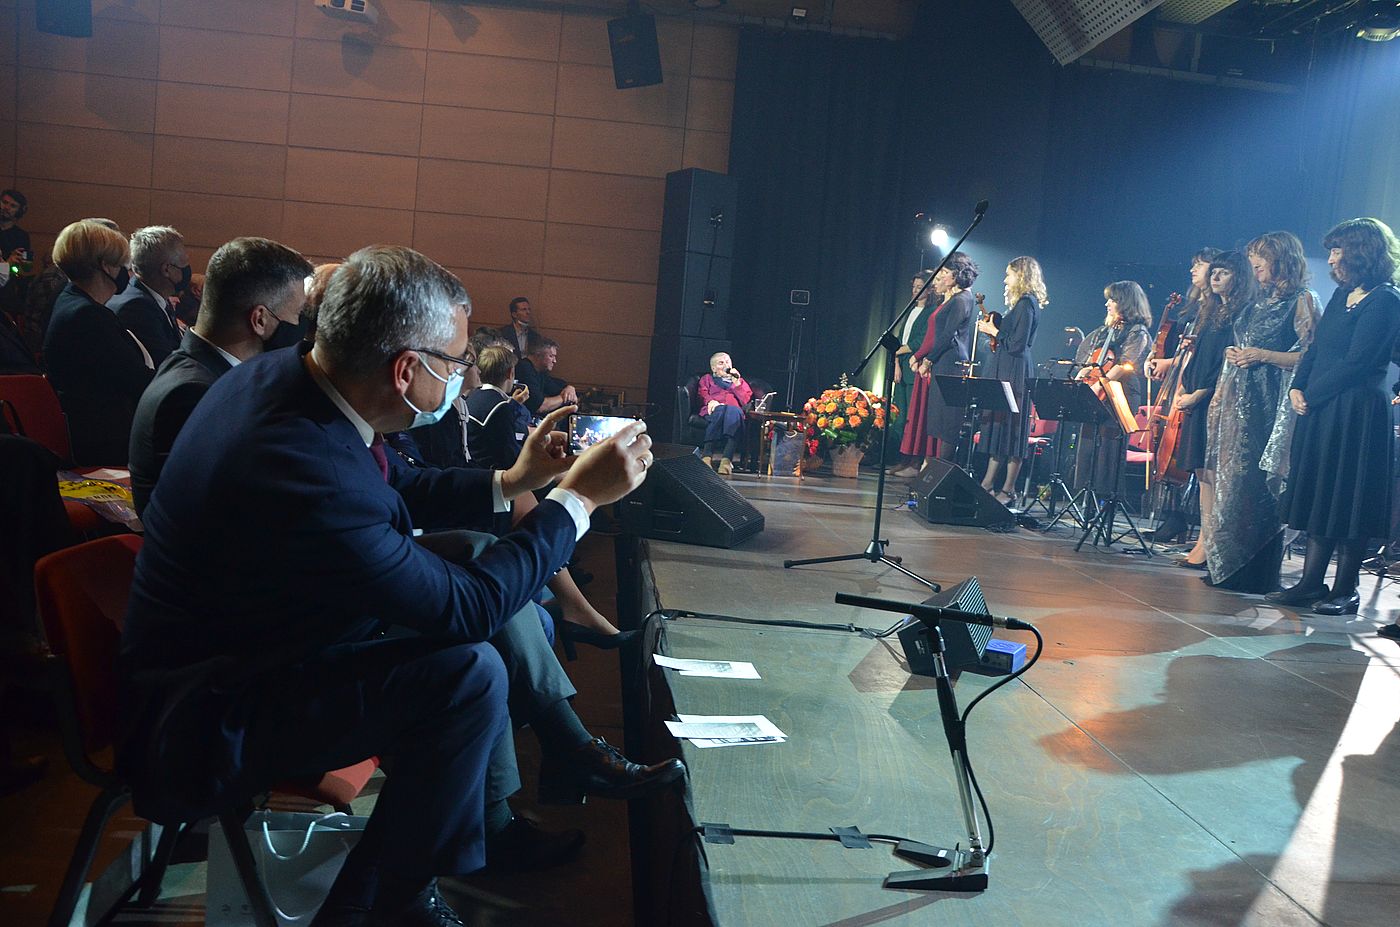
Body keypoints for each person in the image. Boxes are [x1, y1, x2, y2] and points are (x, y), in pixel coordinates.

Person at [119, 246, 682, 926]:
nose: (463, 374)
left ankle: (435, 861)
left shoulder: (289, 378)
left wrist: (513, 480)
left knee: (480, 615)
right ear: (406, 369)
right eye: (456, 361)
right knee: (466, 673)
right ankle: (381, 903)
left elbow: (393, 485)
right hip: (212, 711)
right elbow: (467, 607)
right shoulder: (301, 463)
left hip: (263, 641)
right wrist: (578, 501)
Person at [1271, 218, 1400, 619]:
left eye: (1337, 250)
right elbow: (1316, 349)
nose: (1330, 259)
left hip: (1357, 414)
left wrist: (1312, 394)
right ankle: (1311, 582)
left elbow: (1359, 362)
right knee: (1321, 494)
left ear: (1361, 251)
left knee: (1349, 498)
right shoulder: (1344, 293)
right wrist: (1298, 386)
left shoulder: (1385, 300)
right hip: (1324, 408)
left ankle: (1346, 589)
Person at [128, 237, 314, 515]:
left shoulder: (208, 371)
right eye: (298, 314)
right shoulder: (193, 393)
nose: (301, 326)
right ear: (260, 320)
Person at [1203, 235, 1318, 591]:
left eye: (1261, 259)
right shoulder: (1257, 302)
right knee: (1236, 485)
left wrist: (1263, 356)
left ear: (1281, 260)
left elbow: (1311, 356)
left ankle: (1258, 574)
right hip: (1242, 405)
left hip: (1274, 408)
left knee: (1261, 486)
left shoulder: (1303, 300)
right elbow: (1246, 343)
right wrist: (1235, 354)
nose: (1254, 265)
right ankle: (1229, 566)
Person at [42, 220, 153, 465]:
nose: (128, 273)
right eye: (124, 265)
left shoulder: (68, 299)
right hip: (102, 440)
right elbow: (136, 380)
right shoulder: (88, 315)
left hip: (93, 428)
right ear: (106, 266)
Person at [1172, 252, 1252, 568]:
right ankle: (1204, 541)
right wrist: (1185, 386)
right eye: (1214, 272)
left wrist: (1198, 394)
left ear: (1239, 277)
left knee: (1215, 475)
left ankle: (1213, 544)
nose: (1215, 277)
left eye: (1224, 273)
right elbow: (1202, 356)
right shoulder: (1212, 310)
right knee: (1202, 473)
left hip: (1216, 399)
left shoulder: (1241, 313)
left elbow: (1224, 364)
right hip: (1198, 397)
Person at [893, 253, 978, 475]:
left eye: (945, 273)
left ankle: (936, 473)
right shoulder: (954, 299)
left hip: (951, 364)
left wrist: (927, 360)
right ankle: (929, 470)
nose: (941, 276)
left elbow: (948, 335)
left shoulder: (962, 299)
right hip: (943, 362)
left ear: (957, 275)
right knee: (937, 419)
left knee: (946, 421)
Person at [1072, 281, 1152, 495]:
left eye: (1113, 300)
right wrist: (1084, 372)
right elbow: (1090, 357)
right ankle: (1083, 494)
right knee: (1087, 444)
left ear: (1125, 303)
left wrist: (1100, 384)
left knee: (1109, 448)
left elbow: (1125, 364)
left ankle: (1105, 497)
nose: (1107, 304)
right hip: (1097, 390)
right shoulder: (1105, 331)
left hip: (1121, 394)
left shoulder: (1138, 332)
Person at [978, 256, 1044, 507]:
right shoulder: (1020, 305)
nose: (1005, 280)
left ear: (1022, 275)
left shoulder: (1026, 305)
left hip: (1015, 371)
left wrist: (992, 331)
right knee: (1000, 428)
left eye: (1009, 274)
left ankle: (1008, 489)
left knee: (1013, 430)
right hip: (1007, 368)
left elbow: (1017, 344)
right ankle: (987, 484)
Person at [108, 226, 195, 367]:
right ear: (166, 270)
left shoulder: (153, 295)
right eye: (184, 263)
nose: (188, 268)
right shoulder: (137, 308)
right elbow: (167, 365)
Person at [890, 270, 934, 471]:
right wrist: (896, 362)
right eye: (914, 287)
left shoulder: (930, 312)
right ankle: (901, 459)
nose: (915, 291)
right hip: (902, 366)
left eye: (919, 287)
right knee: (899, 416)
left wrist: (900, 351)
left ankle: (913, 461)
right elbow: (901, 338)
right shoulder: (909, 310)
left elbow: (920, 341)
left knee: (912, 417)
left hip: (914, 366)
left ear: (929, 289)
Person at [696, 350, 751, 475]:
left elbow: (745, 400)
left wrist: (736, 383)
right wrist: (711, 401)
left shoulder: (740, 382)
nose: (726, 365)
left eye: (727, 362)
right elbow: (702, 393)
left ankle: (726, 460)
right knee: (721, 410)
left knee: (733, 411)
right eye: (721, 363)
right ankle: (707, 457)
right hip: (714, 409)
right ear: (713, 368)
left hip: (734, 411)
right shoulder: (707, 379)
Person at [515, 333, 577, 417]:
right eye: (551, 356)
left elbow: (555, 386)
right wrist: (566, 397)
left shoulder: (540, 372)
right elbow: (540, 406)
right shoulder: (524, 369)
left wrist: (570, 387)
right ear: (538, 355)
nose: (554, 361)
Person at [0, 189, 30, 319]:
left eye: (12, 206)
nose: (6, 207)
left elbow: (26, 267)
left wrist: (18, 264)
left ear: (19, 211)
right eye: (4, 202)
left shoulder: (22, 236)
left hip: (9, 291)